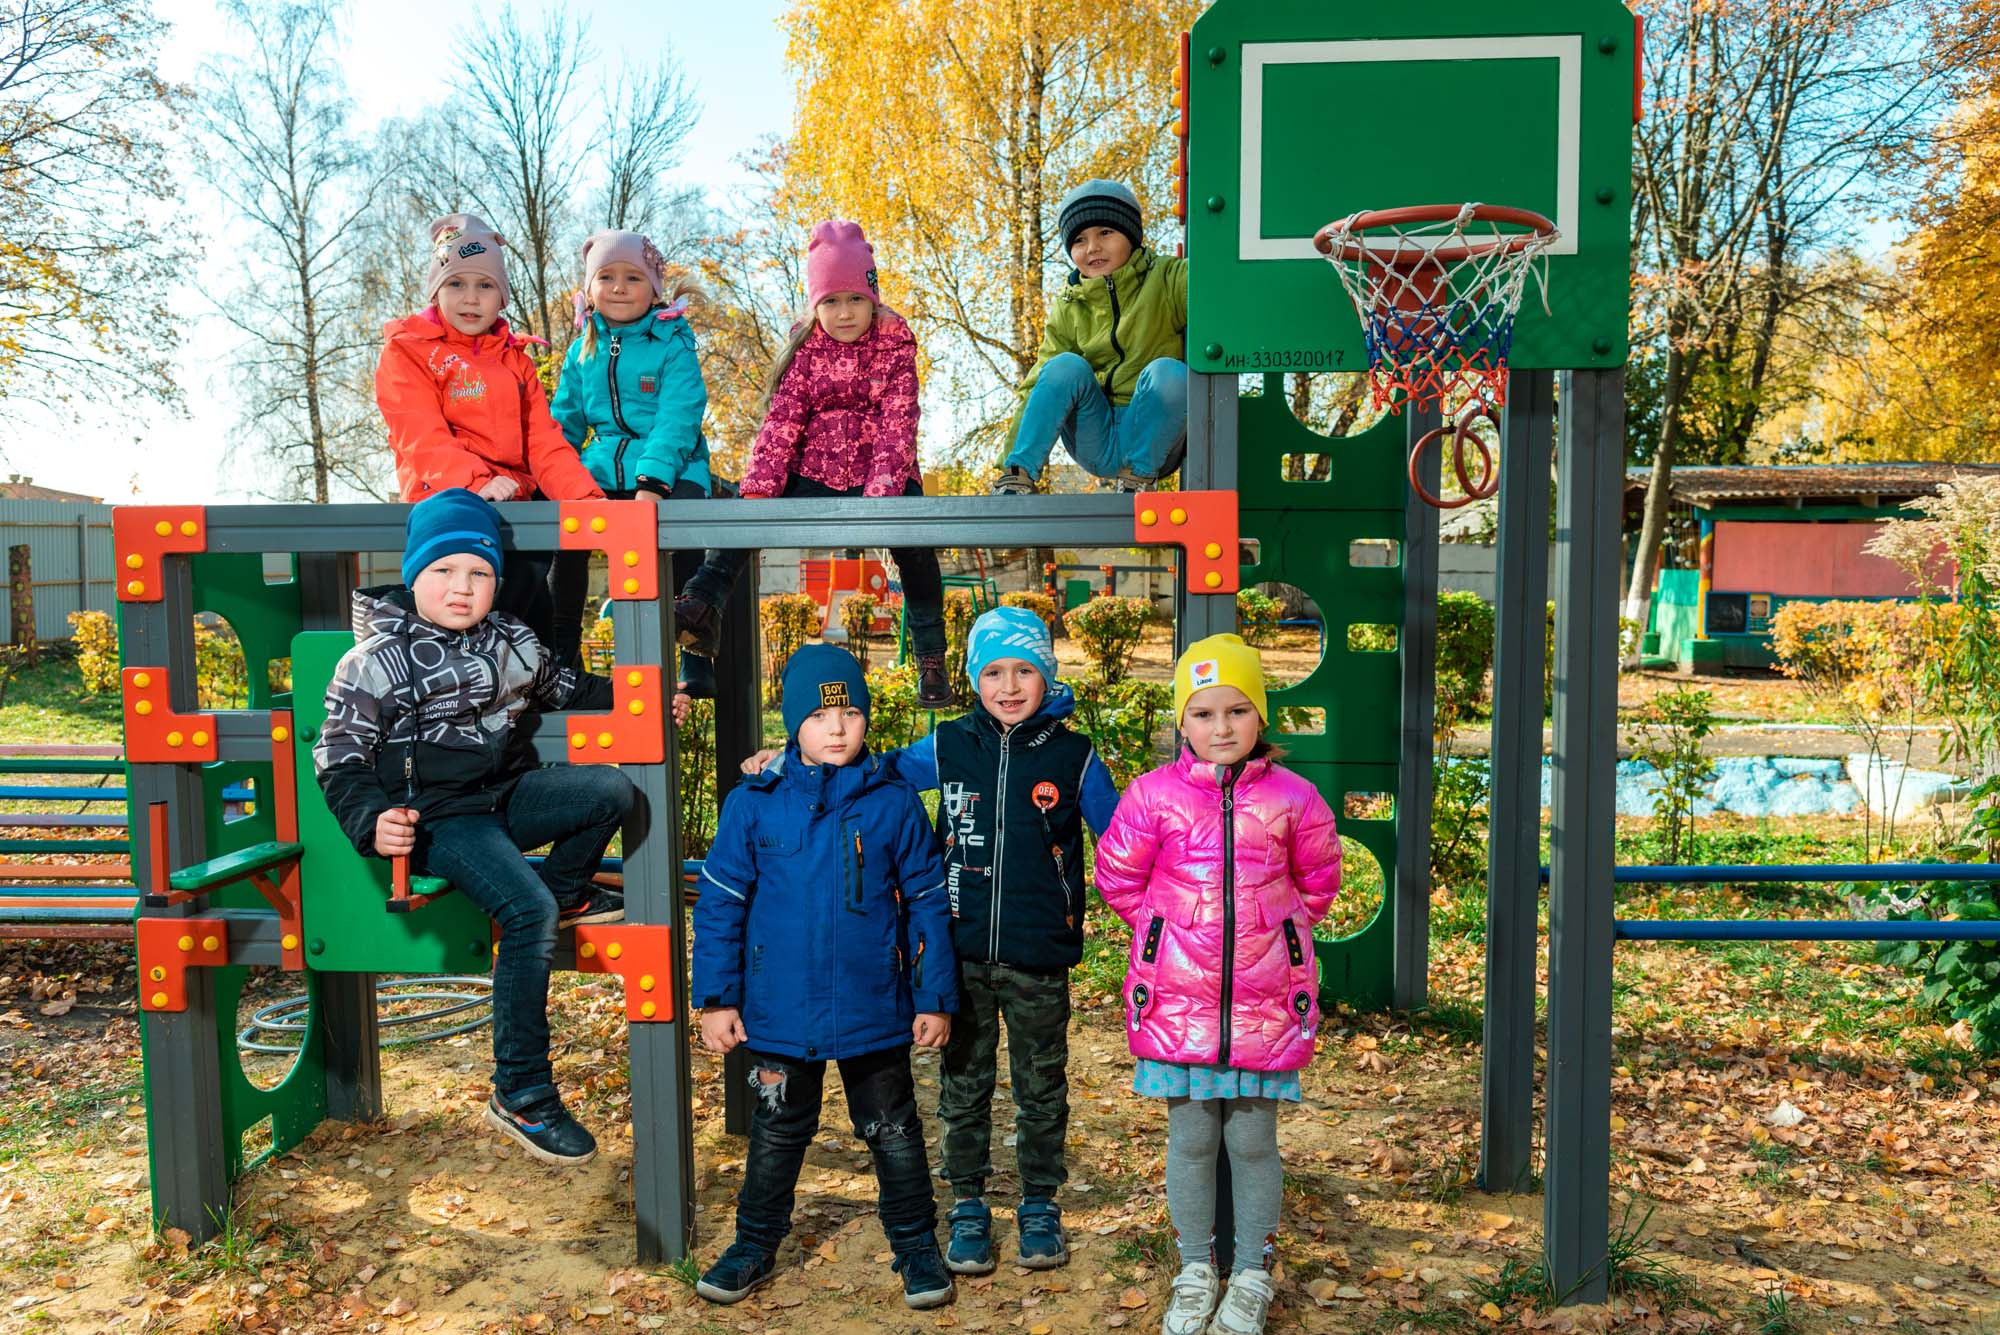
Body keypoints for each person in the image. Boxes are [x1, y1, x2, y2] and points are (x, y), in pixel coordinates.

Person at [739, 606, 1120, 1273]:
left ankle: (1039, 1203)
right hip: (961, 950)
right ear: (974, 678)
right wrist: (788, 761)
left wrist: (1158, 913)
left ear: (1045, 674)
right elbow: (867, 766)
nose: (1009, 685)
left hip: (1040, 957)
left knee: (1041, 1085)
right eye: (993, 670)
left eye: (1024, 670)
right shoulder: (946, 745)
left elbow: (1122, 843)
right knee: (963, 1084)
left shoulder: (1074, 755)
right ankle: (968, 1202)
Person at [312, 488, 635, 1167]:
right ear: (413, 573)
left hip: (504, 794)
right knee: (527, 910)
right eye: (443, 572)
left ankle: (574, 887)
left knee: (611, 789)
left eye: (479, 573)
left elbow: (571, 687)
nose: (462, 588)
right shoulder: (374, 659)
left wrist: (646, 693)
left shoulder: (513, 640)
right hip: (439, 818)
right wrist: (373, 823)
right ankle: (520, 1090)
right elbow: (338, 757)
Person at [691, 644, 960, 1310]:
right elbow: (721, 904)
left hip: (876, 1008)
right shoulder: (755, 803)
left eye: (848, 713)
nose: (836, 728)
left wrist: (935, 997)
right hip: (780, 1012)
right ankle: (753, 1243)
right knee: (778, 1128)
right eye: (817, 714)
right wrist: (717, 999)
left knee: (894, 1129)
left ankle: (916, 1245)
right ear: (791, 724)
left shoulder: (893, 802)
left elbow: (928, 903)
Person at [1095, 634, 1342, 1335]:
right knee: (1192, 1140)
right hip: (1179, 1003)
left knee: (1255, 1143)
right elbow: (1118, 876)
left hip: (1265, 1006)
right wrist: (1167, 930)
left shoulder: (1295, 798)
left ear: (1261, 717)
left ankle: (1253, 1274)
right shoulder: (1153, 796)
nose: (1222, 727)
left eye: (1237, 710)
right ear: (1183, 722)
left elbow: (1320, 881)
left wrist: (1279, 932)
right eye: (1203, 713)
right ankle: (1195, 1269)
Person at [681, 219, 953, 710]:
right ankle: (701, 604)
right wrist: (761, 488)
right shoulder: (806, 353)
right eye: (830, 302)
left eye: (854, 299)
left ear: (873, 297)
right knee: (745, 512)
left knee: (916, 545)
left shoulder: (895, 348)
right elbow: (782, 422)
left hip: (883, 472)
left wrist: (882, 496)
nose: (844, 313)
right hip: (815, 474)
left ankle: (931, 656)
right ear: (816, 305)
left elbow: (899, 421)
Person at [375, 213, 604, 650]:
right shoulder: (409, 349)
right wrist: (476, 483)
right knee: (489, 594)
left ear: (501, 297)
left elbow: (543, 441)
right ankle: (474, 666)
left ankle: (543, 672)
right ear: (435, 290)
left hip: (514, 497)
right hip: (448, 497)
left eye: (485, 286)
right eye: (456, 284)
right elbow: (419, 435)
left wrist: (585, 499)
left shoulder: (513, 359)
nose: (470, 298)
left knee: (538, 591)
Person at [549, 229, 744, 693]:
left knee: (679, 528)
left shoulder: (672, 342)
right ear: (590, 289)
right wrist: (555, 475)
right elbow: (564, 422)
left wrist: (652, 482)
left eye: (632, 277)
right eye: (607, 277)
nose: (619, 287)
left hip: (672, 465)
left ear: (653, 289)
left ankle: (694, 648)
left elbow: (679, 415)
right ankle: (561, 649)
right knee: (565, 531)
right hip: (605, 465)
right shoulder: (582, 350)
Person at [992, 180, 1188, 495]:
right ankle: (1019, 474)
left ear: (1132, 235)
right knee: (1063, 366)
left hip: (1154, 440)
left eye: (1105, 233)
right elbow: (1039, 383)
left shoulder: (1168, 278)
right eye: (1080, 239)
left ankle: (1138, 478)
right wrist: (1008, 458)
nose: (1093, 248)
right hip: (1095, 437)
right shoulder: (1071, 305)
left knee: (1168, 372)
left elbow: (1213, 288)